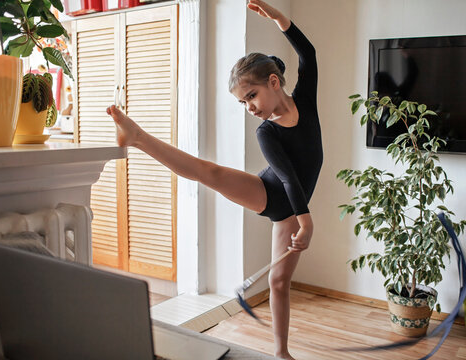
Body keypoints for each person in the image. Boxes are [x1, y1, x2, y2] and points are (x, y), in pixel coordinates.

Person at [106, 1, 321, 358]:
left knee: (278, 281)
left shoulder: (306, 102)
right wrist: (306, 220)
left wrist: (280, 18)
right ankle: (138, 137)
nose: (250, 107)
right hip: (274, 194)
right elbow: (286, 178)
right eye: (242, 102)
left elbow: (308, 53)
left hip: (293, 209)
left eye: (251, 96)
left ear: (273, 82)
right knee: (211, 173)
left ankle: (281, 353)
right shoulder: (266, 133)